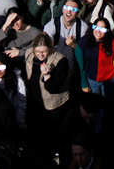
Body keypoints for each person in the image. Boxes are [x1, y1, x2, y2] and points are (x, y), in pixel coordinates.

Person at [21, 34, 72, 166]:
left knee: (52, 132)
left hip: (53, 104)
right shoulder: (29, 55)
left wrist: (48, 75)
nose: (41, 54)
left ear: (50, 48)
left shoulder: (60, 60)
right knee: (36, 131)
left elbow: (53, 88)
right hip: (35, 102)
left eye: (44, 51)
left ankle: (54, 156)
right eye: (37, 51)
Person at [76, 17, 114, 98]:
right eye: (96, 27)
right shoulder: (83, 43)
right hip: (92, 81)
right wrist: (84, 84)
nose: (98, 31)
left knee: (109, 106)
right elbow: (81, 66)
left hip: (110, 81)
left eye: (102, 29)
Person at [43, 0, 88, 75]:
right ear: (63, 9)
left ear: (77, 13)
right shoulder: (52, 25)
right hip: (54, 65)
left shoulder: (83, 27)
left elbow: (85, 52)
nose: (69, 12)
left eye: (73, 9)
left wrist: (73, 45)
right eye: (66, 8)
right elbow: (45, 48)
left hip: (74, 67)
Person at [0, 54, 27, 129]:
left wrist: (20, 123)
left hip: (12, 118)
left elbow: (22, 104)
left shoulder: (17, 81)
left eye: (1, 67)